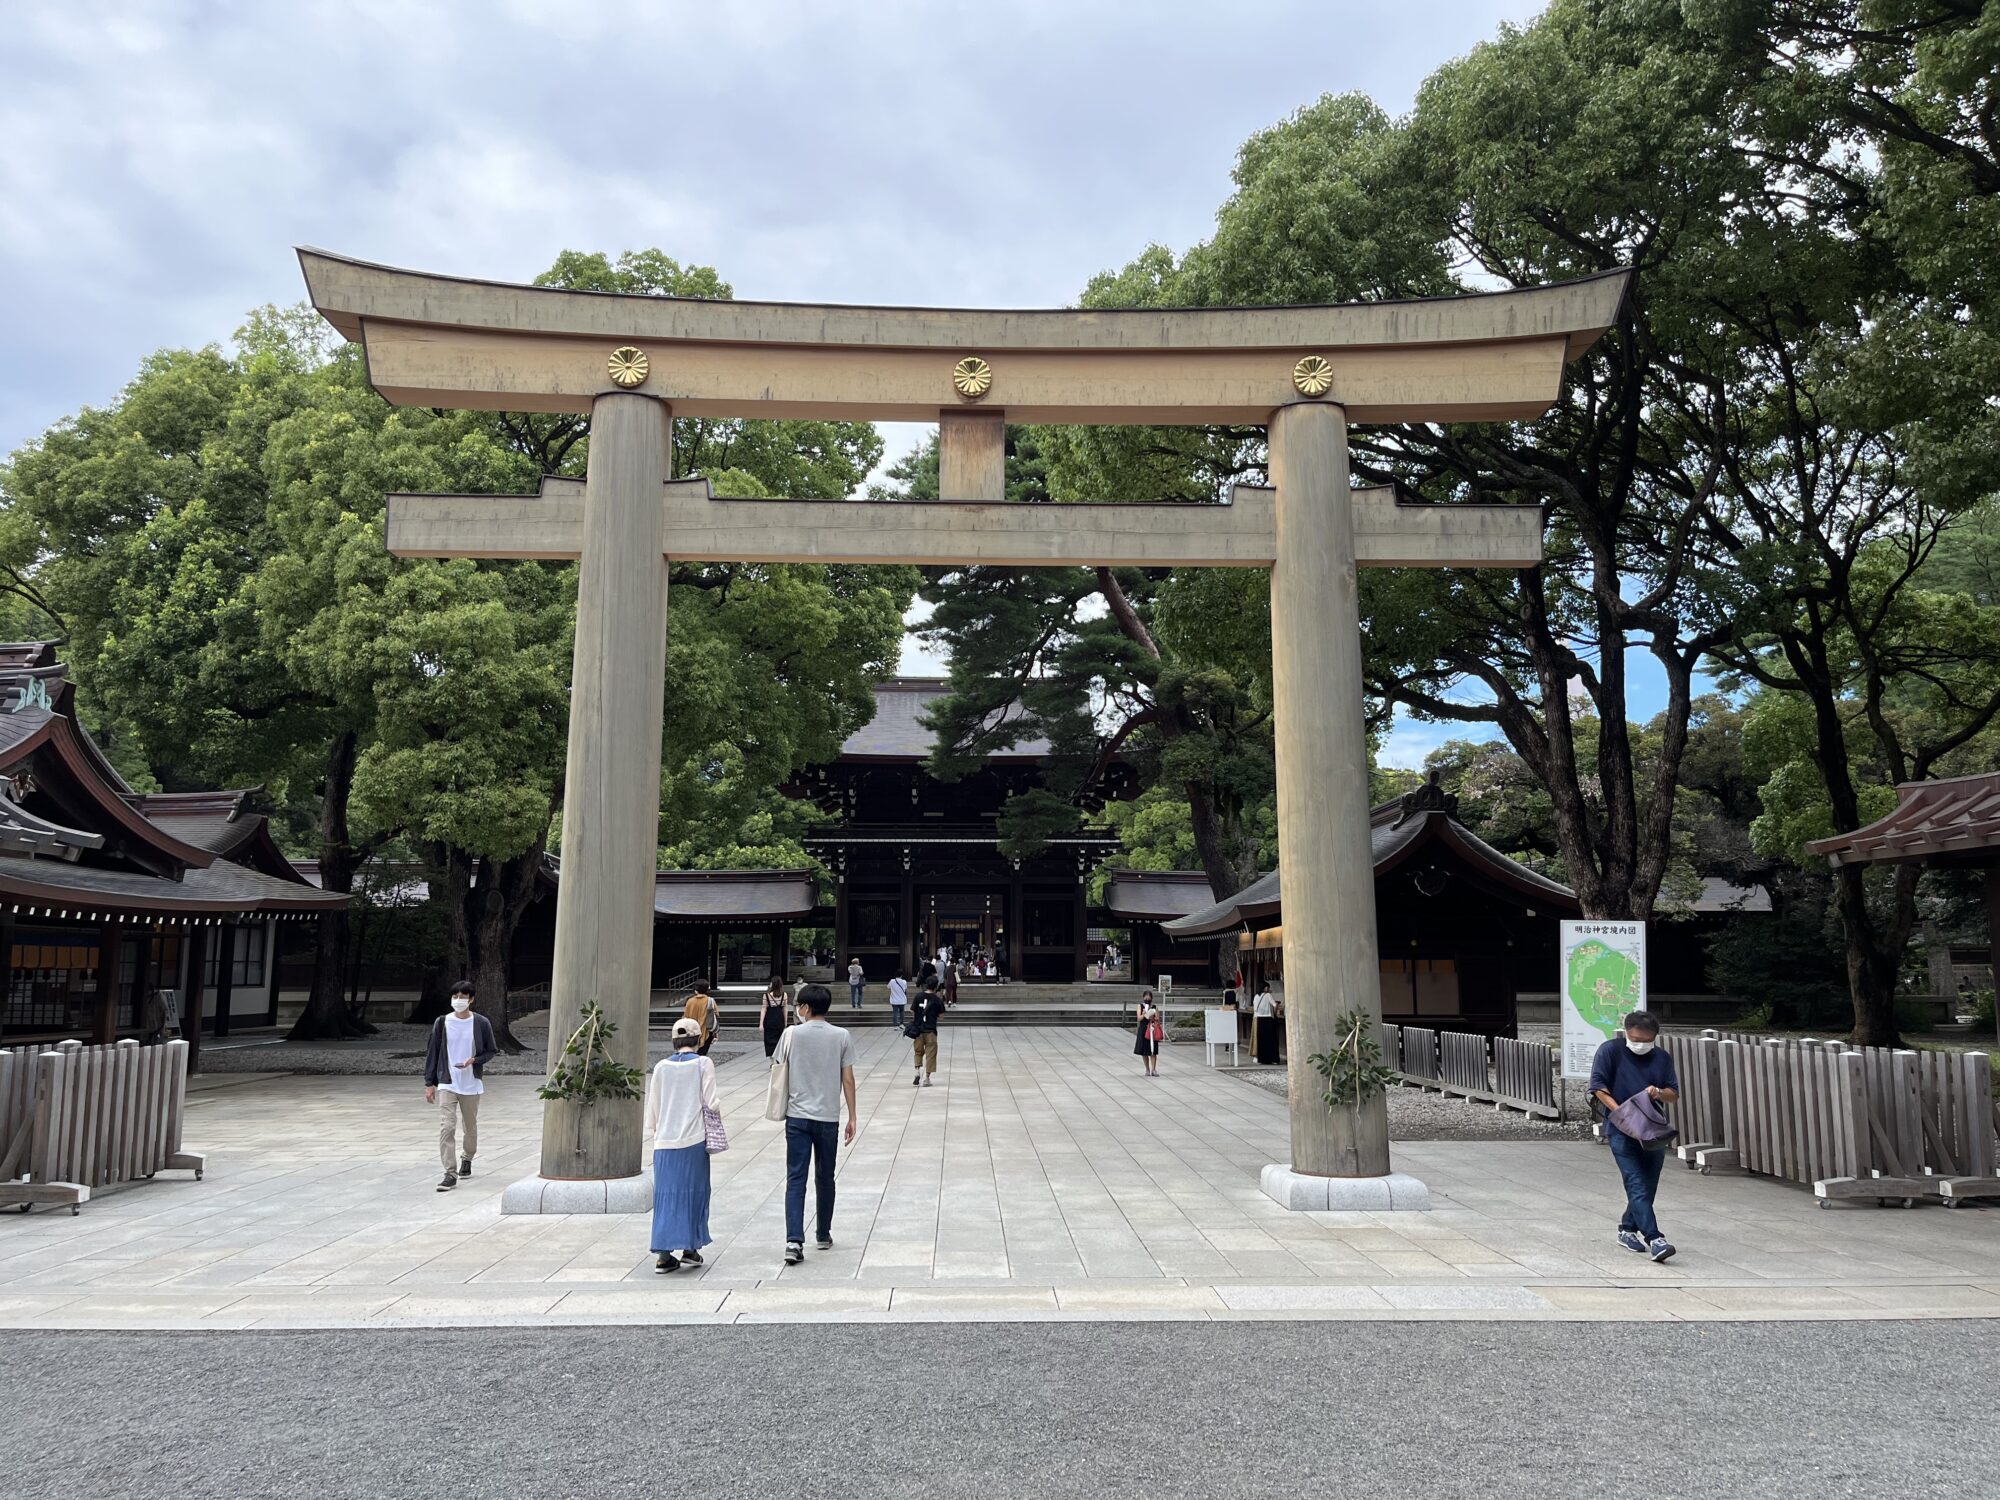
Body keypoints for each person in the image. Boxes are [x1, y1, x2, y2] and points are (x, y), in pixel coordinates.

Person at [774, 984, 857, 1264]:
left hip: (797, 1116)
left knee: (796, 1177)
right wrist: (852, 1116)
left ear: (806, 1008)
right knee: (825, 1175)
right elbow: (848, 1079)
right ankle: (823, 1233)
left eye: (799, 1006)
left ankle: (794, 1241)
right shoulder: (841, 1036)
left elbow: (777, 1065)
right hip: (828, 1117)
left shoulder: (791, 1034)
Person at [1590, 1010, 1681, 1264]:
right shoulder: (1610, 1051)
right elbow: (1597, 1087)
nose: (1640, 1044)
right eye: (1635, 1038)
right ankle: (1655, 1239)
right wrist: (1621, 1113)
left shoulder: (1662, 1057)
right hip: (1620, 1128)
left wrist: (1658, 1092)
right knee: (1636, 1181)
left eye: (1646, 1040)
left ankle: (1627, 1228)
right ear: (1626, 1032)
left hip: (1651, 1129)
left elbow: (1673, 1093)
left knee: (1647, 1184)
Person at [643, 1017, 722, 1273]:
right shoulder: (703, 1063)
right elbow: (711, 1102)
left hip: (664, 1141)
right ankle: (691, 1248)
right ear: (698, 1039)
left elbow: (653, 1107)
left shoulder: (661, 1067)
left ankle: (664, 1255)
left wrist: (658, 1127)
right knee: (694, 1192)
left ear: (674, 1040)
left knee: (666, 1196)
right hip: (694, 1138)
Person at [423, 980, 497, 1191]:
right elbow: (433, 1052)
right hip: (447, 1081)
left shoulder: (481, 1023)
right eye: (455, 997)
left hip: (471, 1082)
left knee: (470, 1126)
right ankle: (449, 1173)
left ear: (471, 999)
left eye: (462, 997)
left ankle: (468, 1156)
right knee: (447, 1126)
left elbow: (491, 1050)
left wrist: (474, 1060)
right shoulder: (441, 1022)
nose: (458, 1001)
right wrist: (429, 1083)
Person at [908, 979, 945, 1087]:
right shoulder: (937, 1000)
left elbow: (912, 1010)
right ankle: (927, 1078)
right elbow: (941, 1016)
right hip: (931, 1031)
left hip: (918, 1031)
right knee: (931, 1054)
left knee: (918, 1052)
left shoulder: (918, 996)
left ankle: (917, 1071)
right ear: (935, 986)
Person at [682, 980, 719, 1057]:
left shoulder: (690, 1001)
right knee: (702, 1054)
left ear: (695, 989)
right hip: (706, 1031)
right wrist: (715, 1033)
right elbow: (715, 1015)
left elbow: (685, 1016)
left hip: (692, 1031)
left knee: (692, 1053)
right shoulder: (710, 1000)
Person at [1133, 989, 1163, 1077]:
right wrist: (1144, 1014)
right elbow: (1139, 1018)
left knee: (1153, 1050)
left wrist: (1152, 1017)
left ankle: (1154, 1069)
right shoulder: (1140, 1006)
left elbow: (1158, 1019)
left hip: (1152, 1029)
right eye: (1146, 997)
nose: (1147, 999)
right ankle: (1147, 1069)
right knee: (1144, 1051)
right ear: (1143, 997)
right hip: (1143, 1030)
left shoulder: (1154, 1007)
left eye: (1149, 997)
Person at [759, 976, 789, 1059]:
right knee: (780, 1039)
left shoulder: (766, 995)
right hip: (779, 1018)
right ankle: (779, 1058)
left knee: (769, 1039)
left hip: (769, 1018)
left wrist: (761, 1023)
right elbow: (785, 1009)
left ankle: (772, 1060)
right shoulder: (784, 995)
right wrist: (785, 1022)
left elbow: (763, 1009)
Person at [1252, 981, 1282, 1065]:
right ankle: (1272, 1059)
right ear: (1265, 988)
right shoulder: (1268, 995)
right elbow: (1274, 1005)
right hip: (1267, 1019)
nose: (1268, 989)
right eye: (1268, 987)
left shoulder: (1256, 996)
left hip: (1258, 1019)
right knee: (1270, 1040)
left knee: (1261, 1040)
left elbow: (1255, 1008)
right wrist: (1278, 1004)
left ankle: (1262, 1059)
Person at [887, 968, 909, 1033]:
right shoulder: (904, 982)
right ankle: (901, 1024)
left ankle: (895, 1025)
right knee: (902, 1012)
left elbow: (888, 987)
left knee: (895, 1013)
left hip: (894, 999)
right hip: (902, 1000)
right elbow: (905, 989)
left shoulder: (892, 981)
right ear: (901, 975)